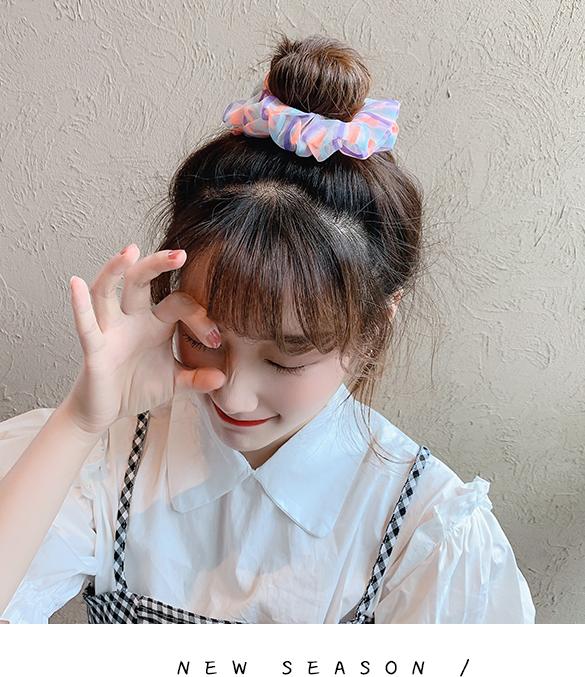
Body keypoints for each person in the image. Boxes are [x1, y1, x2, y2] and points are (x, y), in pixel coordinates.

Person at [0, 33, 536, 624]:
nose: (233, 395)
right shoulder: (110, 457)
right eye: (204, 339)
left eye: (285, 360)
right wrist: (81, 420)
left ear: (371, 331)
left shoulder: (426, 534)